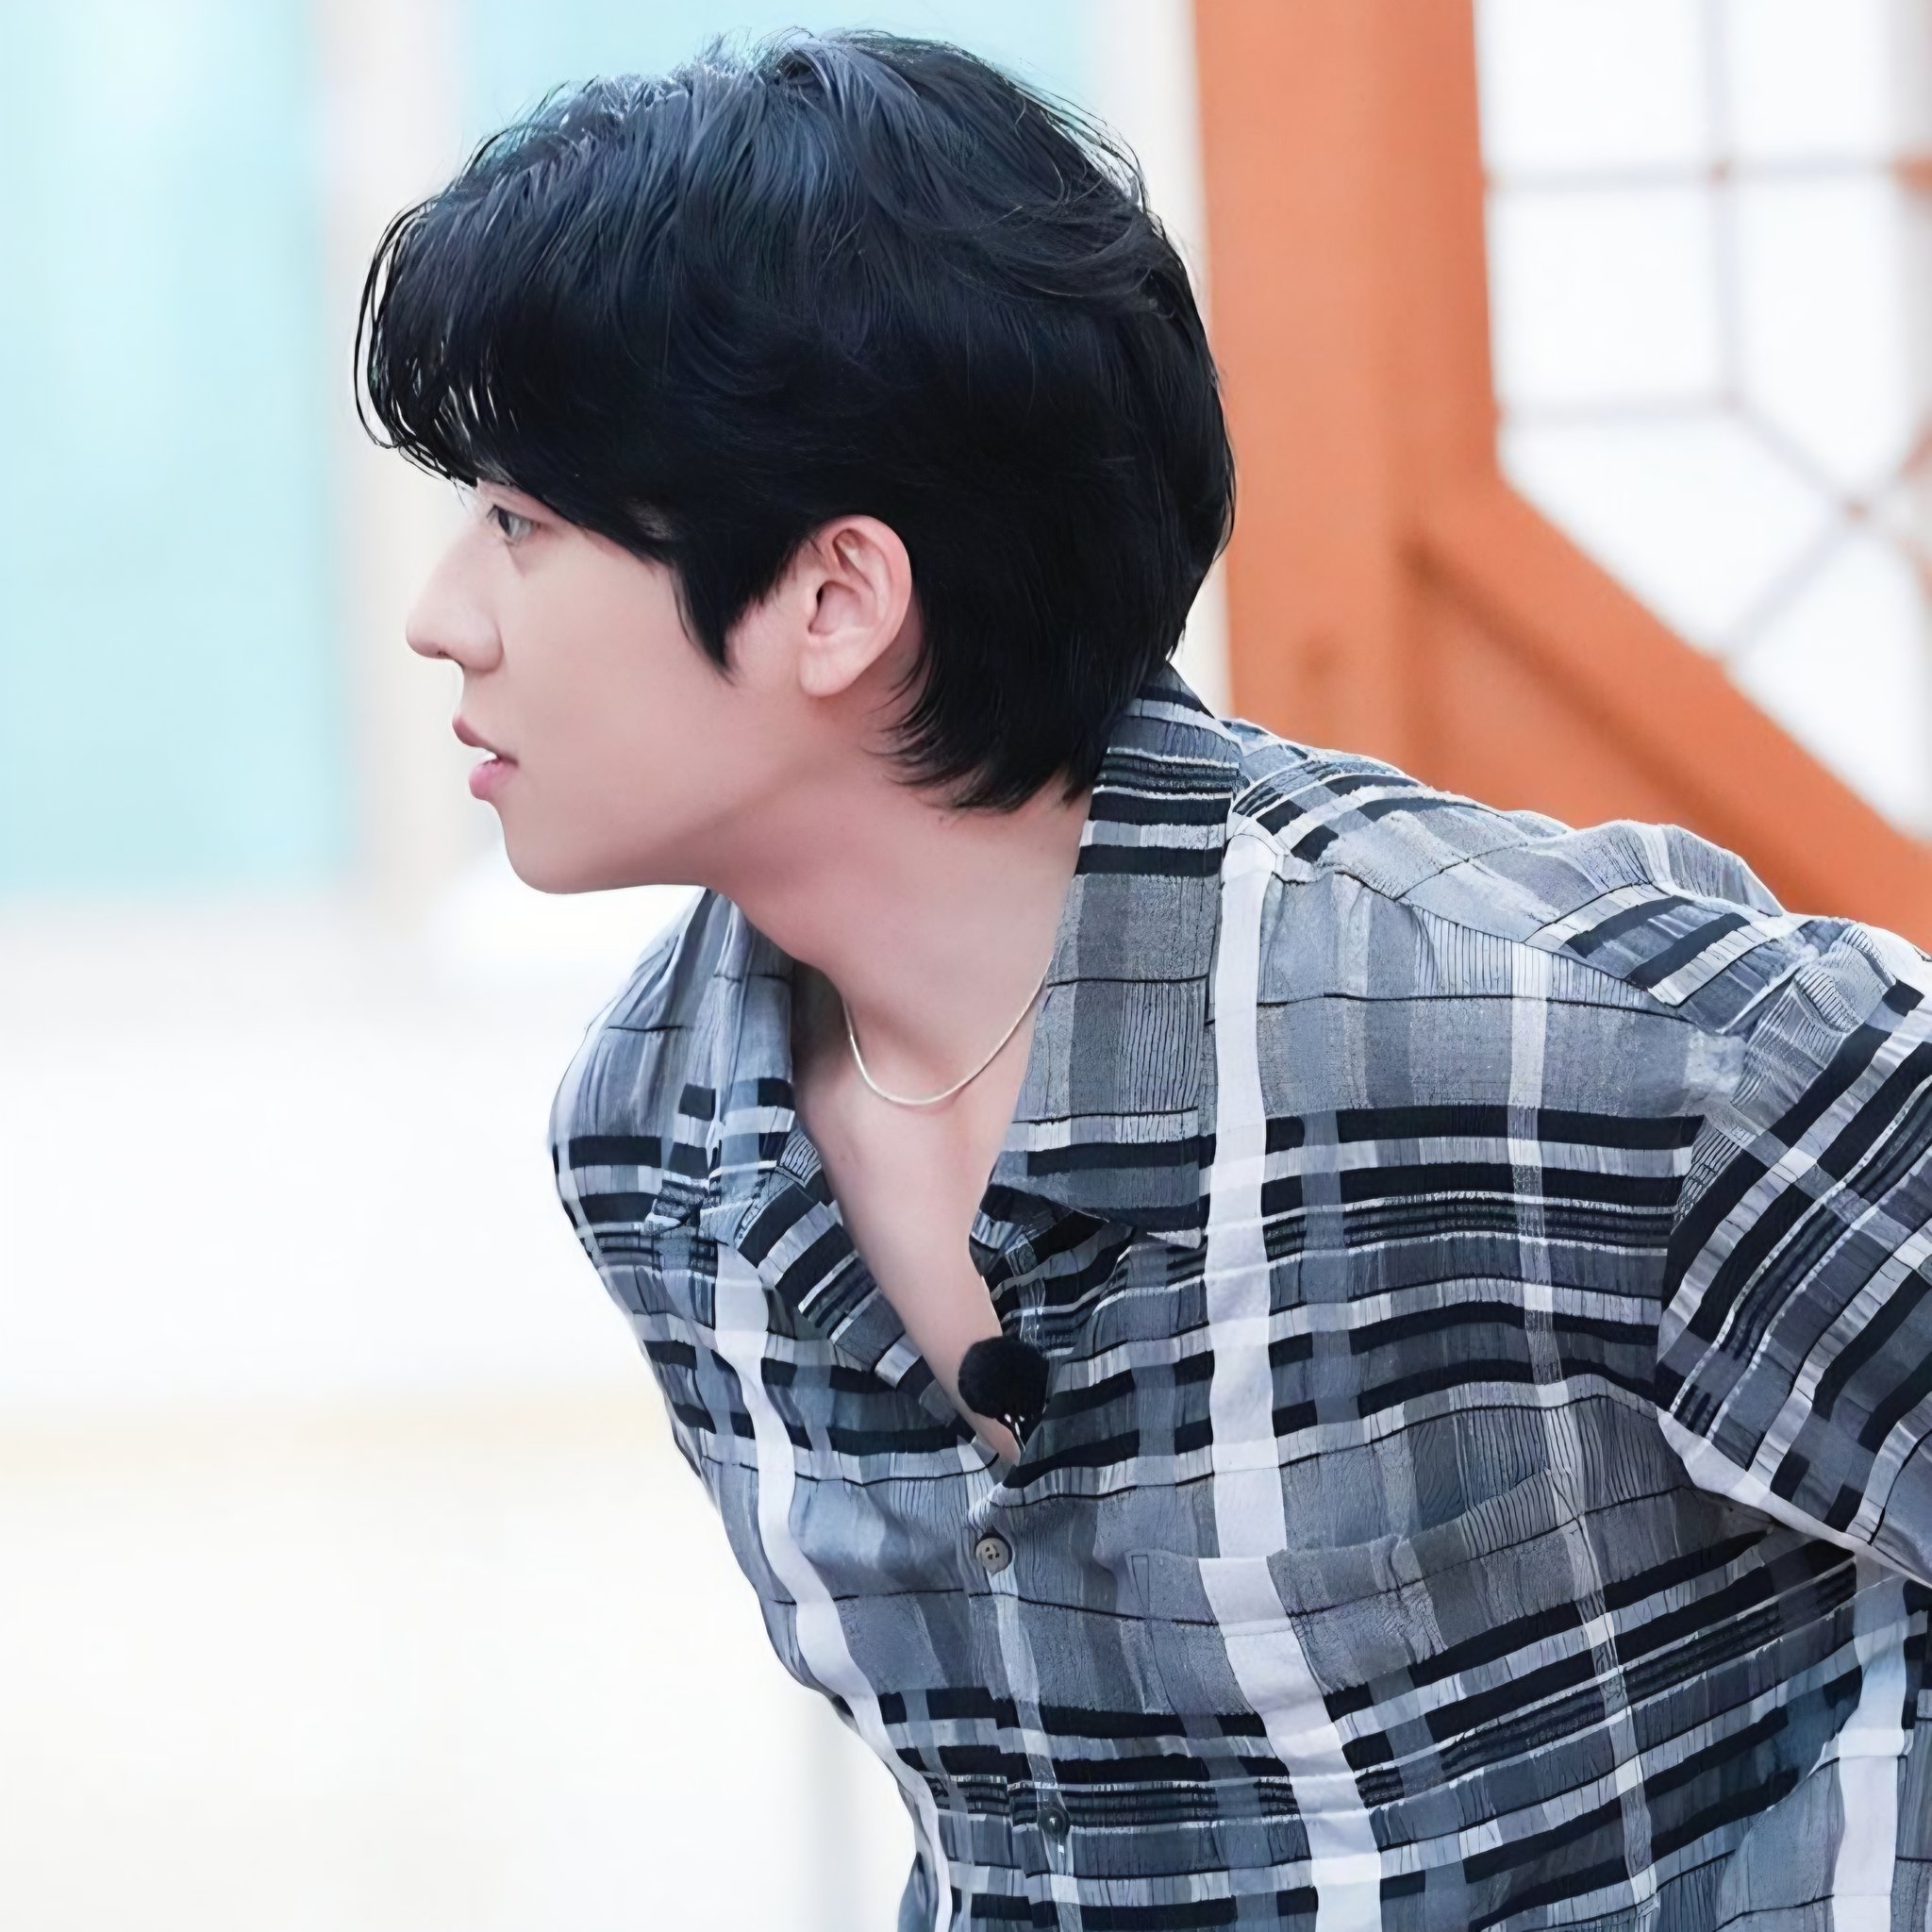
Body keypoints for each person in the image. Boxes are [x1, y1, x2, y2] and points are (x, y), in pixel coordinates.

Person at [359, 26, 1932, 1931]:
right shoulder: (656, 1138)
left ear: (835, 598)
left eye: (518, 524)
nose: (441, 617)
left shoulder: (1587, 1036)